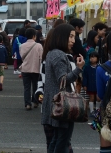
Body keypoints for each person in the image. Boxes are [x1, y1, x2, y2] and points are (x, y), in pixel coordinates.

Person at [41, 24, 85, 153]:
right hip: (63, 106)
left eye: (74, 37)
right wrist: (79, 68)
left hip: (55, 104)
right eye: (70, 36)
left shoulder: (51, 53)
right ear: (61, 37)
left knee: (55, 140)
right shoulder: (59, 55)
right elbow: (63, 80)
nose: (73, 40)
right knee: (62, 141)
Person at [19, 28, 43, 110]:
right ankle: (35, 102)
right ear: (34, 36)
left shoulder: (22, 46)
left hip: (25, 69)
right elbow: (41, 58)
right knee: (36, 86)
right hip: (36, 69)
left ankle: (27, 104)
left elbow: (22, 58)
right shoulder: (39, 46)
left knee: (26, 87)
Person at [82, 51, 100, 116]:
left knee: (98, 97)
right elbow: (85, 77)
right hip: (90, 85)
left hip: (98, 85)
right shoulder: (87, 68)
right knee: (91, 97)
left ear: (97, 58)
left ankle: (98, 110)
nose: (92, 58)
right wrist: (84, 85)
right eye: (91, 57)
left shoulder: (100, 67)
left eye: (94, 57)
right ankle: (92, 110)